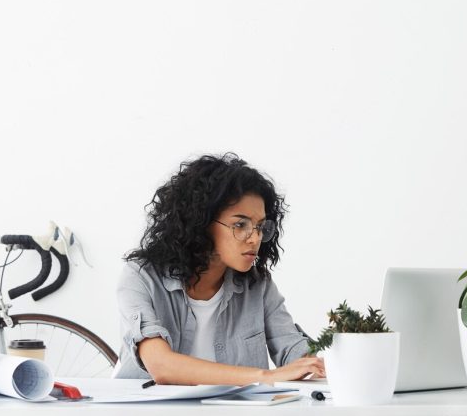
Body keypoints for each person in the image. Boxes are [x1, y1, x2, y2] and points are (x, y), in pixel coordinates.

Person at [114, 153, 325, 385]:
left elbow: (294, 351)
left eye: (260, 226)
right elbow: (161, 365)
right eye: (240, 224)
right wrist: (266, 376)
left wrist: (324, 359)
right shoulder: (141, 277)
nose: (255, 238)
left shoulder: (258, 286)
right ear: (200, 223)